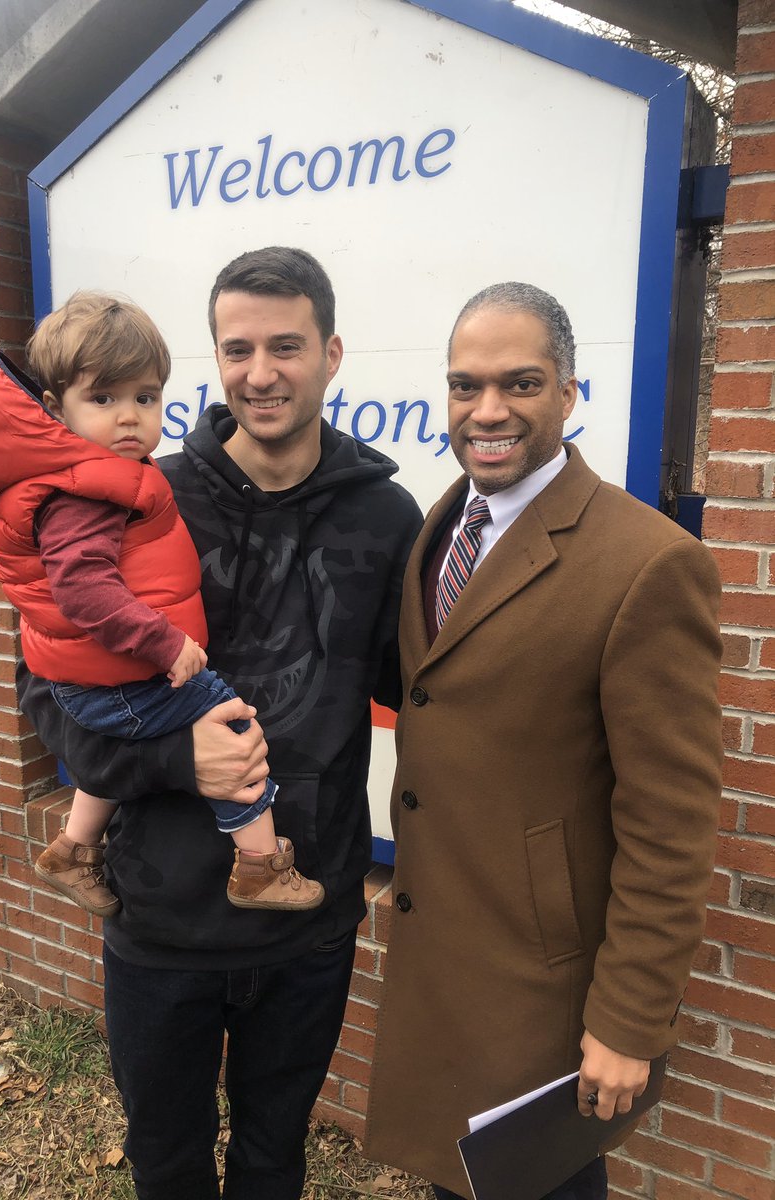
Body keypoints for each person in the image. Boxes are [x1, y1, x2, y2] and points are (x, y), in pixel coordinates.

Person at [11, 248, 422, 1200]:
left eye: (287, 346)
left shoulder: (387, 515)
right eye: (238, 349)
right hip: (157, 923)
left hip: (304, 923)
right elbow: (43, 695)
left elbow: (430, 695)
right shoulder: (137, 499)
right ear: (215, 359)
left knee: (276, 1163)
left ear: (332, 353)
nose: (261, 372)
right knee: (169, 1166)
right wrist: (169, 755)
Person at [363, 282, 723, 1200]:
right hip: (446, 955)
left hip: (544, 995)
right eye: (464, 385)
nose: (488, 411)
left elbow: (671, 824)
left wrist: (631, 1020)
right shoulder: (440, 525)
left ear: (568, 393)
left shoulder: (647, 565)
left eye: (520, 383)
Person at [0, 291, 323, 918]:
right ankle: (258, 867)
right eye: (103, 399)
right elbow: (84, 593)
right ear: (56, 408)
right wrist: (164, 643)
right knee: (234, 729)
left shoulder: (89, 475)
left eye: (145, 397)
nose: (130, 417)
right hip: (121, 673)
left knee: (140, 731)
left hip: (95, 679)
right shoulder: (84, 491)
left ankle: (74, 849)